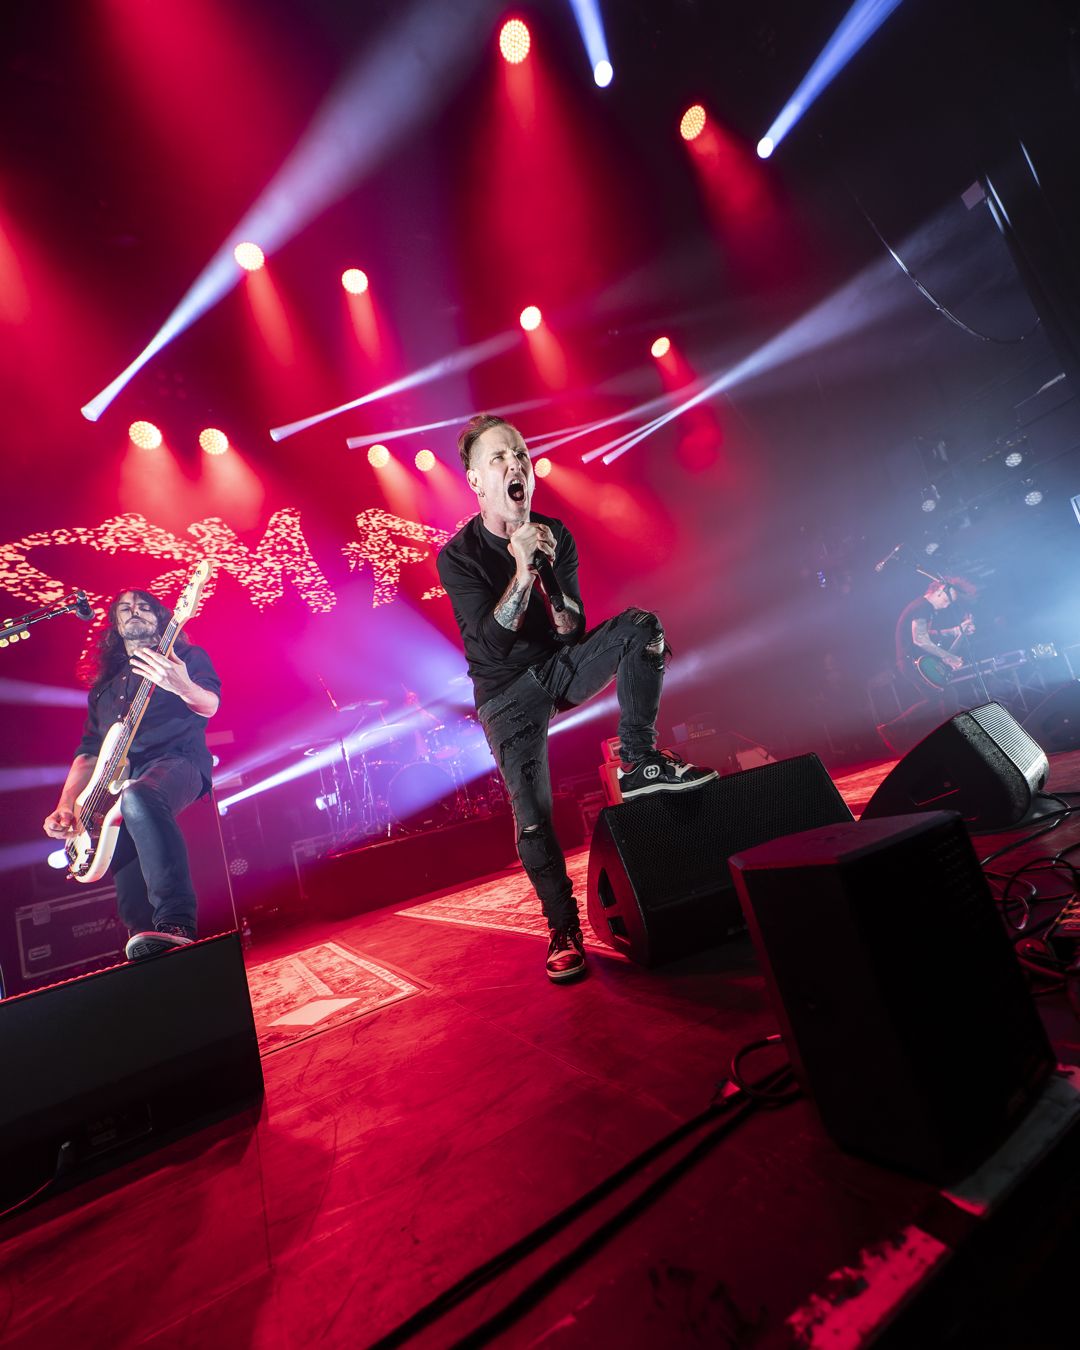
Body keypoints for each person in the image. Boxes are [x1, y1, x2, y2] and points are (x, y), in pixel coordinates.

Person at [437, 414, 716, 984]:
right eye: (499, 459)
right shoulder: (458, 556)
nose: (516, 464)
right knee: (535, 820)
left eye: (520, 453)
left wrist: (542, 568)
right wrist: (517, 568)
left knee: (642, 627)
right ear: (475, 481)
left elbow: (570, 628)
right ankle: (562, 928)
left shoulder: (554, 533)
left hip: (558, 668)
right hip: (505, 696)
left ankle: (639, 762)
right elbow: (491, 641)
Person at [43, 589, 221, 959]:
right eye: (125, 608)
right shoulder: (104, 689)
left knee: (137, 795)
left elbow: (209, 705)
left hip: (179, 761)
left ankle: (176, 921)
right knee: (123, 831)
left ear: (161, 617)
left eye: (144, 606)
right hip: (117, 783)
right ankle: (148, 940)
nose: (134, 611)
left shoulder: (185, 657)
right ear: (115, 625)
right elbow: (89, 752)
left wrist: (181, 684)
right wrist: (66, 806)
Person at [879, 576, 976, 753]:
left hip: (915, 661)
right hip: (911, 662)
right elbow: (921, 640)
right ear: (939, 592)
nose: (947, 605)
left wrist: (956, 630)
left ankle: (954, 737)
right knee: (939, 696)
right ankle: (892, 728)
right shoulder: (923, 607)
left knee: (946, 695)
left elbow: (927, 633)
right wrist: (948, 657)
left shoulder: (924, 608)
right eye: (947, 600)